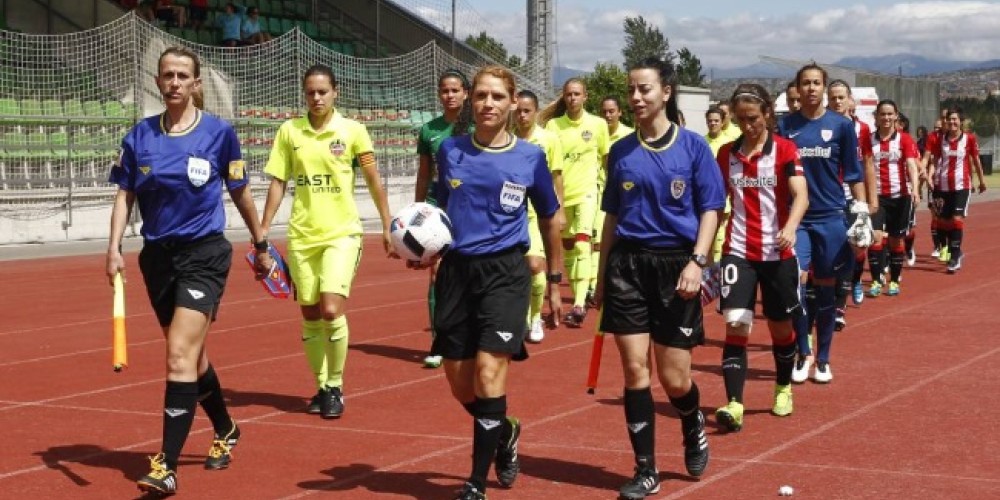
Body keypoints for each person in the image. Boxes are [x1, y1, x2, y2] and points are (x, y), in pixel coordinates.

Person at [107, 46, 268, 495]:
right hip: (157, 258)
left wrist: (261, 243)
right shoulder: (139, 136)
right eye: (167, 76)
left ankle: (166, 465)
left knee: (178, 352)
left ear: (196, 84)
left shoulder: (220, 135)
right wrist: (113, 247)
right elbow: (125, 196)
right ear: (158, 82)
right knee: (192, 358)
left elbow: (241, 192)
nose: (174, 82)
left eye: (182, 76)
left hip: (204, 254)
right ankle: (226, 428)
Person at [426, 65, 563, 500]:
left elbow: (550, 216)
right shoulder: (450, 150)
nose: (488, 104)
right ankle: (505, 430)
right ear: (470, 99)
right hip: (456, 272)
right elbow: (441, 210)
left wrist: (555, 280)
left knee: (489, 373)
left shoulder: (529, 157)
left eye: (498, 97)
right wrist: (425, 248)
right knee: (459, 382)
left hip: (506, 272)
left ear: (511, 104)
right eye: (481, 95)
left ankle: (476, 483)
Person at [592, 56, 725, 499]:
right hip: (628, 266)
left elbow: (711, 209)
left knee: (675, 379)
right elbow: (612, 217)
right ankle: (645, 469)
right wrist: (600, 277)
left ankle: (691, 419)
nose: (635, 97)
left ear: (666, 92)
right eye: (631, 89)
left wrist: (698, 261)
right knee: (634, 371)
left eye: (644, 89)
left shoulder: (693, 148)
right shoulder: (620, 152)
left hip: (677, 267)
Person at [259, 64, 397, 419]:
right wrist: (263, 228)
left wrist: (386, 225)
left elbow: (372, 178)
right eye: (310, 92)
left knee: (331, 308)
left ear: (336, 92)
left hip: (342, 233)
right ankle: (321, 386)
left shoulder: (352, 131)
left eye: (323, 91)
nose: (317, 97)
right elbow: (278, 181)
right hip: (302, 235)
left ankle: (335, 385)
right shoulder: (290, 131)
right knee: (309, 312)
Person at [713, 83, 808, 432]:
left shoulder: (784, 150)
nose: (747, 126)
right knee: (737, 322)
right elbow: (713, 203)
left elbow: (801, 195)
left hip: (778, 252)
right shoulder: (726, 155)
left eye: (752, 118)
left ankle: (783, 387)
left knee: (781, 328)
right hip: (738, 251)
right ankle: (734, 403)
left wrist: (792, 226)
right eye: (739, 119)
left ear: (767, 113)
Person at [780, 64, 869, 385]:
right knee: (797, 284)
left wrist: (861, 213)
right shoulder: (784, 126)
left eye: (817, 83)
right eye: (806, 83)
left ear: (824, 87)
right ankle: (803, 352)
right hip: (798, 220)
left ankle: (824, 359)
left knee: (828, 289)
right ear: (798, 89)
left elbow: (854, 173)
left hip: (831, 217)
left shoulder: (841, 126)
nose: (812, 89)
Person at [414, 69, 472, 367]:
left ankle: (470, 336)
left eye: (455, 90)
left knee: (471, 271)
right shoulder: (429, 130)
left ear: (465, 93)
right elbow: (425, 173)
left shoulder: (477, 126)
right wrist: (417, 210)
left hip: (472, 206)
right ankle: (439, 340)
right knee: (437, 274)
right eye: (444, 90)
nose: (449, 95)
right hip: (438, 207)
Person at [541, 78, 610, 327]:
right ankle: (578, 295)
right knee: (568, 248)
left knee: (583, 245)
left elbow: (605, 160)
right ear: (564, 96)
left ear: (585, 97)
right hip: (562, 196)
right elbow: (548, 163)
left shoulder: (598, 124)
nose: (572, 98)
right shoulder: (553, 126)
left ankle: (580, 303)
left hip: (587, 193)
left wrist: (613, 189)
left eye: (577, 94)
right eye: (568, 94)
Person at [513, 89, 565, 343]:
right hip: (512, 213)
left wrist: (560, 210)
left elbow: (556, 177)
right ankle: (521, 317)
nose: (522, 115)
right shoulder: (506, 138)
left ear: (535, 112)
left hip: (537, 214)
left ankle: (535, 317)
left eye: (527, 111)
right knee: (517, 270)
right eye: (518, 111)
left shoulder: (548, 140)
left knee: (535, 265)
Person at [925, 107, 987, 273]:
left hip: (961, 186)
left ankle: (954, 257)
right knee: (943, 223)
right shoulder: (939, 139)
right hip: (941, 186)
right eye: (949, 119)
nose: (951, 122)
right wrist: (929, 176)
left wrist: (981, 181)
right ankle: (955, 251)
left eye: (955, 119)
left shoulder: (969, 139)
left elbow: (976, 160)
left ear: (961, 121)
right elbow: (935, 160)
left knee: (957, 219)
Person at [870, 99, 921, 294]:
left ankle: (894, 281)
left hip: (900, 196)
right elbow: (865, 165)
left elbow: (911, 165)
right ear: (877, 116)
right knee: (875, 237)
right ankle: (875, 281)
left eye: (890, 114)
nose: (886, 118)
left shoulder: (904, 139)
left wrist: (915, 190)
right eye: (882, 114)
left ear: (896, 116)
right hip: (877, 197)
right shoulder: (868, 140)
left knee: (895, 240)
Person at [588, 96, 633, 304]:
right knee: (590, 242)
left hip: (618, 197)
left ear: (620, 112)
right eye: (604, 111)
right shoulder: (596, 133)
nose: (607, 115)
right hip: (596, 192)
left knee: (602, 242)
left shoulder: (628, 137)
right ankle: (592, 283)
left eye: (611, 111)